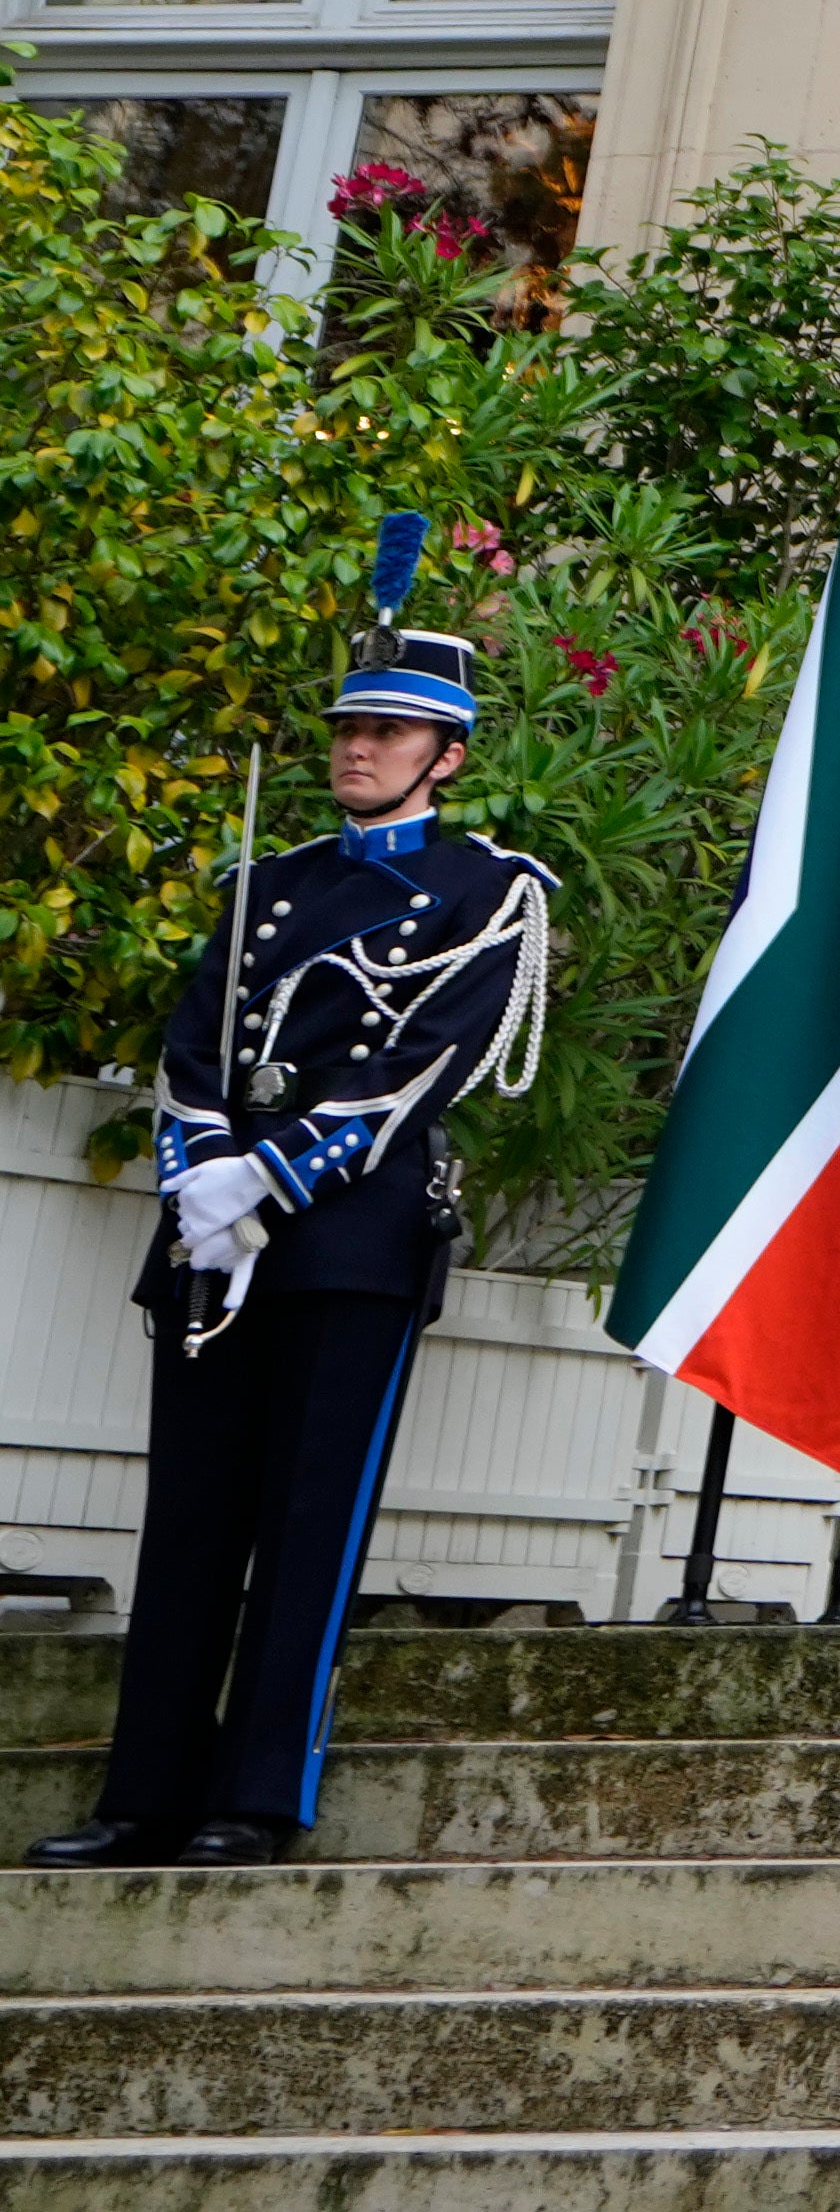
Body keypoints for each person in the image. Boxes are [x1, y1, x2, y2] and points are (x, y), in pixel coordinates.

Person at [39, 626, 552, 1871]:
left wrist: (270, 1175)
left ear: (448, 753)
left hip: (347, 1237)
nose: (356, 747)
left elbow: (421, 1064)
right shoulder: (265, 882)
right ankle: (145, 1791)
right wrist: (204, 1169)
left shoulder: (492, 890)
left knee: (308, 1523)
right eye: (344, 727)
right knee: (191, 1518)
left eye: (385, 730)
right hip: (216, 1229)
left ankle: (258, 1794)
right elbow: (191, 1042)